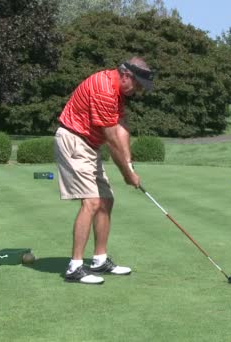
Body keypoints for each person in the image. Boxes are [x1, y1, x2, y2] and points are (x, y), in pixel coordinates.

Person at [54, 57, 154, 285]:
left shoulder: (117, 93)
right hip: (73, 140)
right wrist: (127, 175)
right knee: (91, 202)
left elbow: (122, 128)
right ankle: (75, 267)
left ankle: (99, 260)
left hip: (89, 144)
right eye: (137, 85)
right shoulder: (104, 89)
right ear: (126, 76)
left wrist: (129, 163)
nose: (138, 91)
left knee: (106, 200)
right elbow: (111, 140)